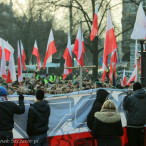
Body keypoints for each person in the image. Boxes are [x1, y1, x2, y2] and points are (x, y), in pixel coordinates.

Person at [123, 82, 146, 146]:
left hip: (131, 126)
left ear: (133, 89)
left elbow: (125, 107)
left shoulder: (130, 98)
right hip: (142, 125)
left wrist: (126, 97)